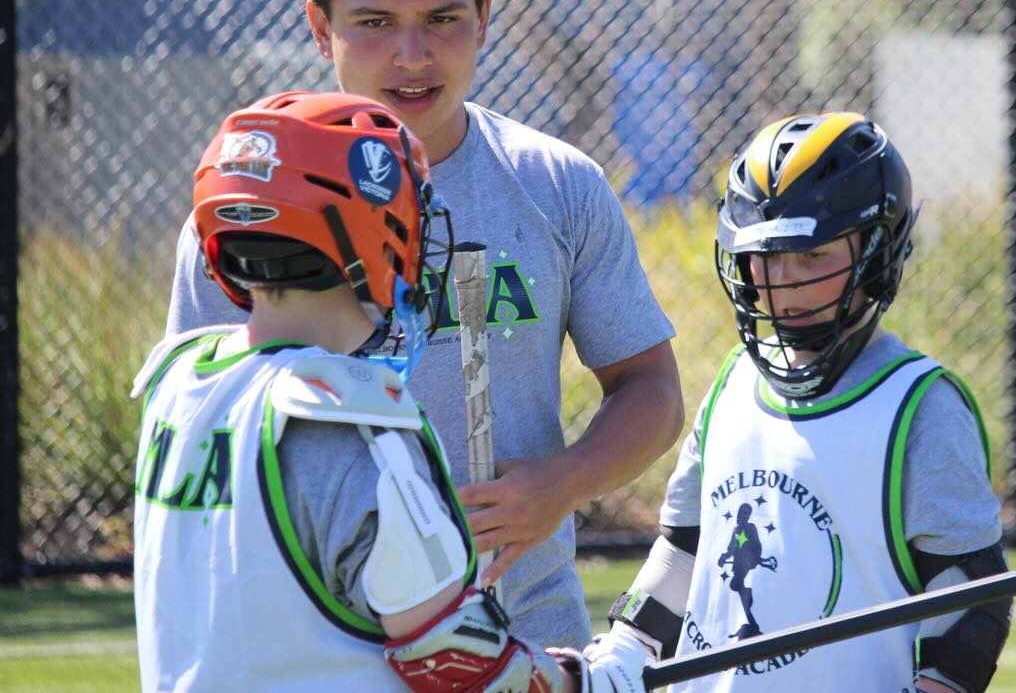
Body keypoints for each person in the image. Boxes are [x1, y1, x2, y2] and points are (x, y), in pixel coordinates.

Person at [165, 0, 685, 650]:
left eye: (443, 17)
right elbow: (198, 451)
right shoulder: (245, 210)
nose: (413, 55)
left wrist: (563, 482)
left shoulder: (555, 183)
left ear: (485, 16)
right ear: (318, 26)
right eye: (373, 21)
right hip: (326, 647)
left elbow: (651, 390)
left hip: (527, 639)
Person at [134, 91, 649, 693]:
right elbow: (452, 657)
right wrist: (578, 679)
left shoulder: (181, 385)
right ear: (370, 235)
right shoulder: (354, 426)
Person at [585, 112, 1012, 692]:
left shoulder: (920, 408)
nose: (780, 282)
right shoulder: (733, 386)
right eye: (764, 256)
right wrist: (623, 653)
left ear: (877, 253)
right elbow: (685, 552)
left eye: (812, 257)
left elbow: (969, 607)